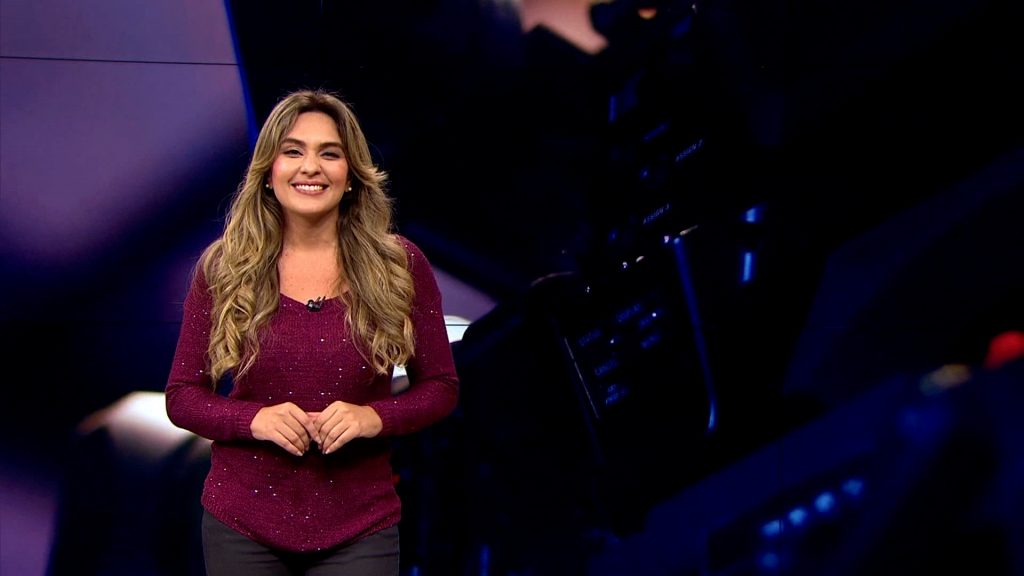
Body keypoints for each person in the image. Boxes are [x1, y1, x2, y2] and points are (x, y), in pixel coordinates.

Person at [165, 88, 460, 575]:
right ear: (269, 171)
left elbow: (441, 388)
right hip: (243, 523)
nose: (311, 167)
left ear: (351, 175)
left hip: (361, 526)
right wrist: (253, 420)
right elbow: (182, 397)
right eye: (293, 151)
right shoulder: (225, 267)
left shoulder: (399, 265)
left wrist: (374, 417)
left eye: (330, 153)